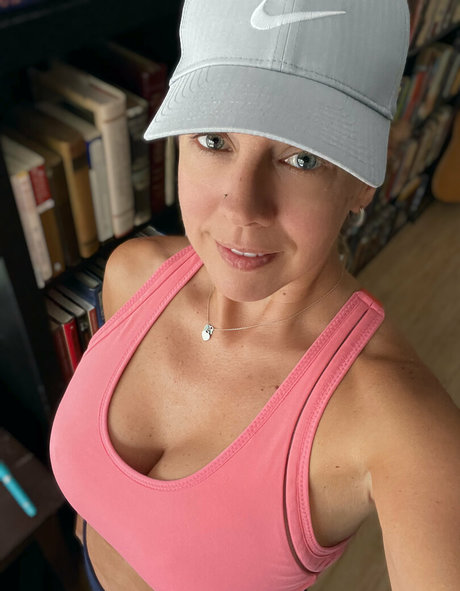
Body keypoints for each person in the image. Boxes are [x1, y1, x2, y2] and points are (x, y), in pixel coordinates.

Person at [49, 1, 460, 590]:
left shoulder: (402, 424)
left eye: (301, 158)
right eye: (213, 139)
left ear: (364, 181)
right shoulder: (132, 273)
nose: (242, 206)